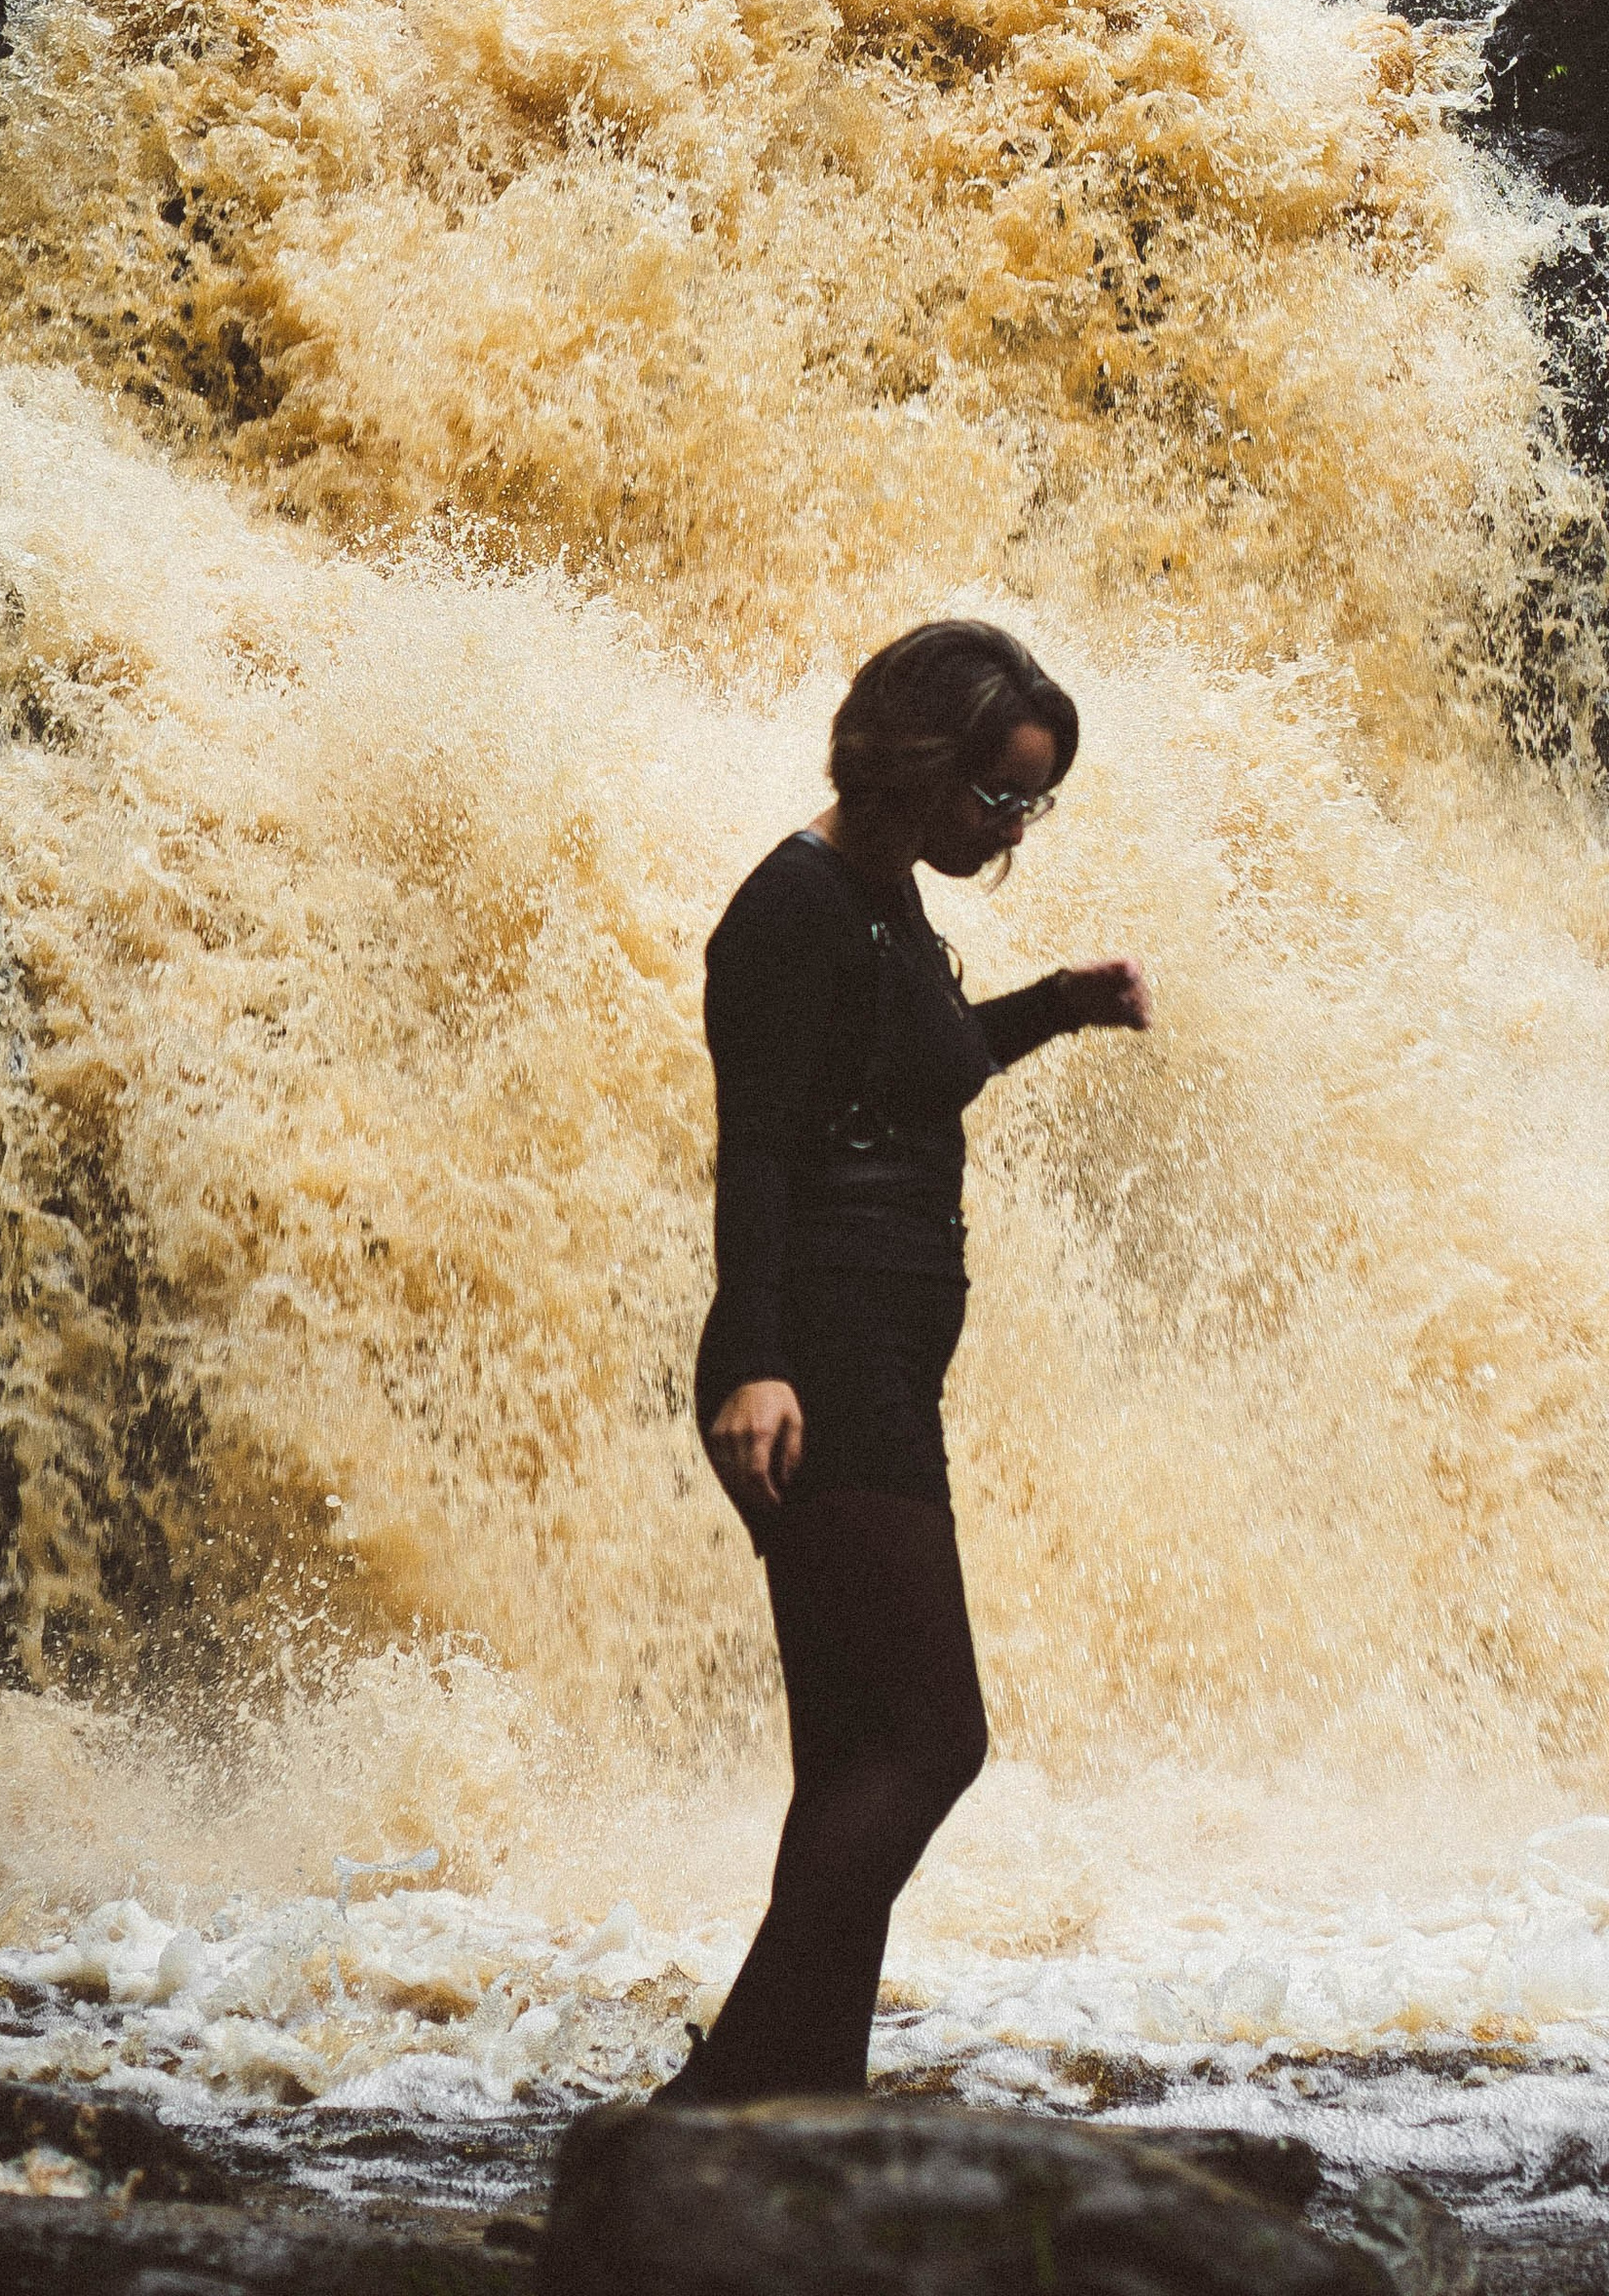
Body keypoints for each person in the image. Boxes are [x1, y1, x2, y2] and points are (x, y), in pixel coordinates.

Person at [659, 618, 1151, 2106]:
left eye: (1031, 804)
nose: (1007, 829)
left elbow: (918, 1067)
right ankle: (731, 2093)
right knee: (937, 1737)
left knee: (852, 1761)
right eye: (997, 795)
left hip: (869, 1360)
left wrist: (1056, 1004)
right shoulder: (794, 911)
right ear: (917, 757)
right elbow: (755, 1147)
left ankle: (806, 2101)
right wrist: (758, 1358)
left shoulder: (880, 906)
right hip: (817, 1365)